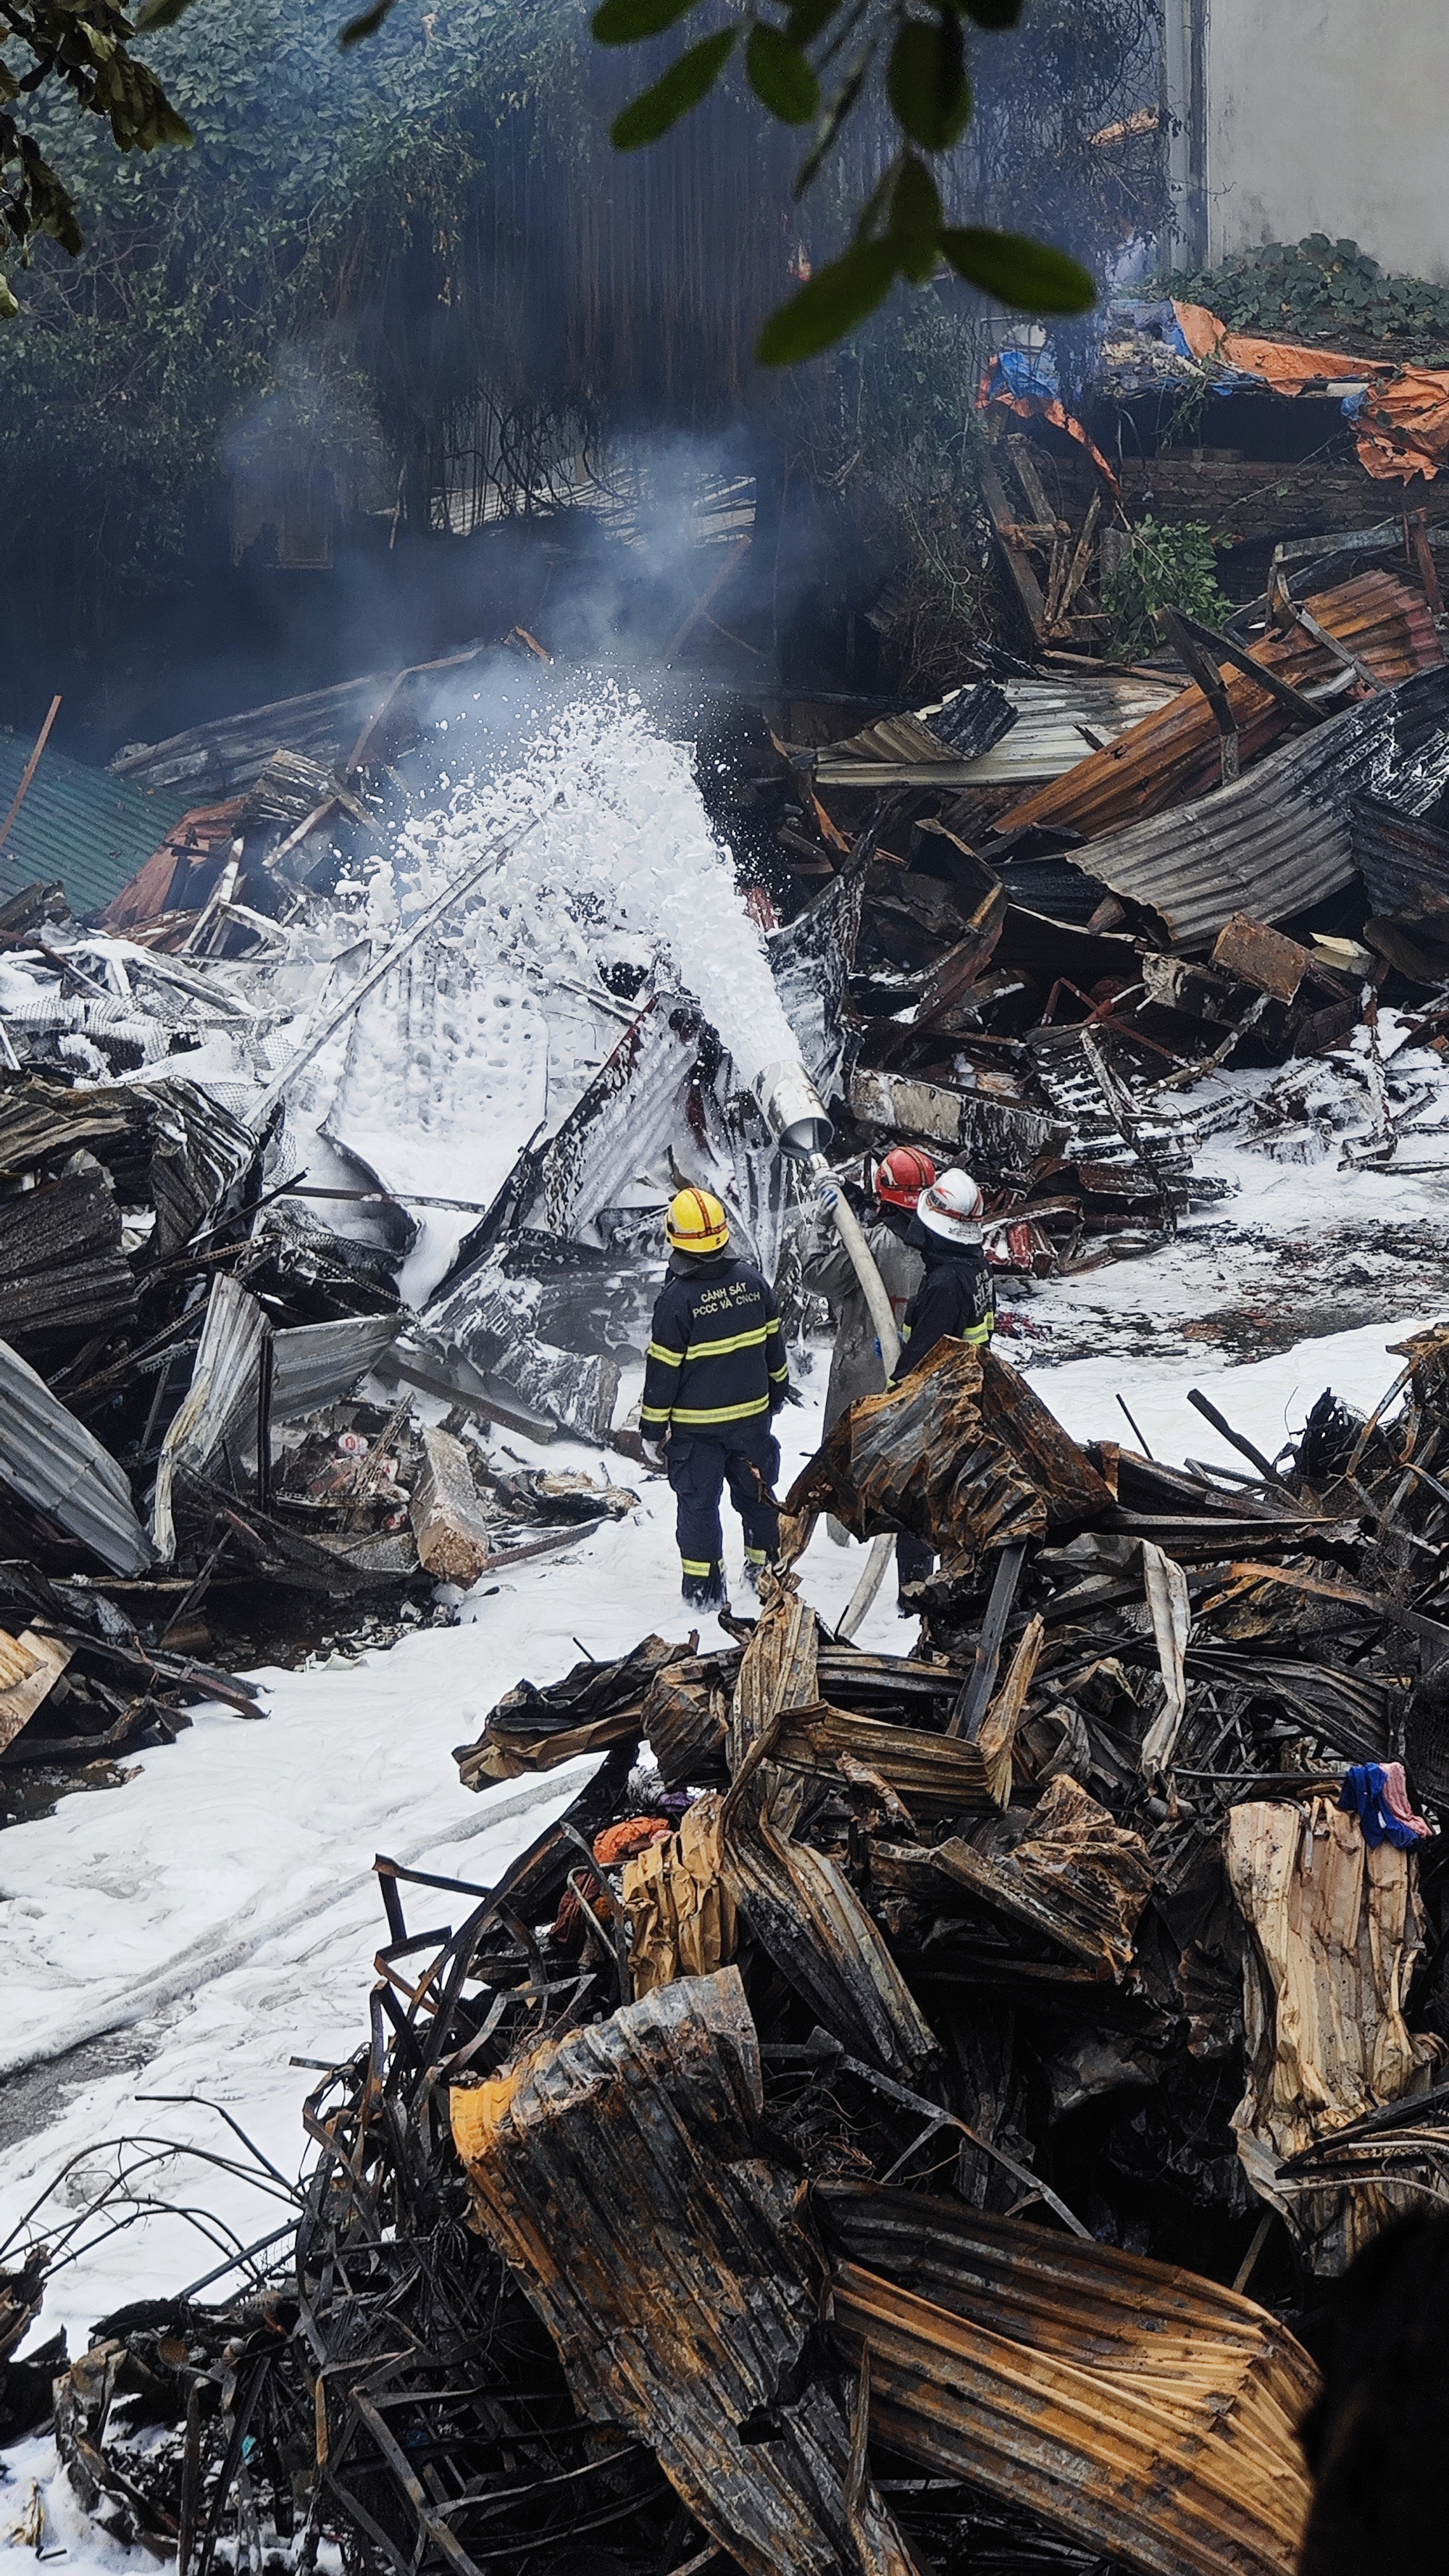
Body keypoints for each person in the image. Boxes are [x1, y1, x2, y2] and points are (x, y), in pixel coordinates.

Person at [640, 1187, 790, 1614]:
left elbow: (663, 1374)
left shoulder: (676, 1300)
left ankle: (704, 1597)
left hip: (697, 1433)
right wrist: (777, 1393)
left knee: (699, 1510)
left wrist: (652, 1430)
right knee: (759, 1500)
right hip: (752, 1424)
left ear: (675, 1237)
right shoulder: (754, 1282)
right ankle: (766, 1577)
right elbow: (775, 1351)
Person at [803, 1147, 936, 1544]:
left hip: (861, 1372)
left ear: (884, 1190)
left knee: (844, 1460)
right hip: (921, 1377)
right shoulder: (943, 1243)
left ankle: (839, 1540)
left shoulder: (871, 1245)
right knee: (908, 1469)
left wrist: (821, 1227)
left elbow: (815, 1277)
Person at [889, 1165, 995, 1610]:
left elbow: (923, 1359)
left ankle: (915, 1594)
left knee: (917, 1501)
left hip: (937, 1408)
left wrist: (893, 1400)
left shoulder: (945, 1284)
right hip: (967, 1397)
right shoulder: (975, 1268)